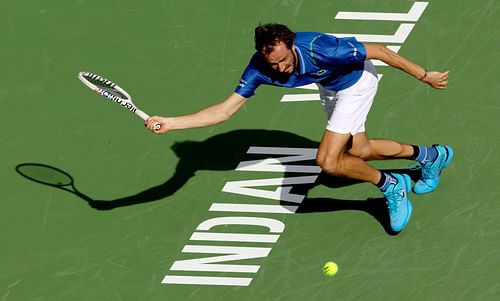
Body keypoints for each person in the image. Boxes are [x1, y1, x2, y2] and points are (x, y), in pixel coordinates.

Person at [145, 23, 454, 233]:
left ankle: (390, 185)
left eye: (283, 60)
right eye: (272, 64)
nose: (280, 69)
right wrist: (172, 123)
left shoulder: (323, 49)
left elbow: (381, 51)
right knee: (359, 151)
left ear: (291, 46)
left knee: (328, 162)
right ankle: (431, 156)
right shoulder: (260, 68)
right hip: (330, 89)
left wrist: (425, 75)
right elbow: (225, 111)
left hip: (357, 82)